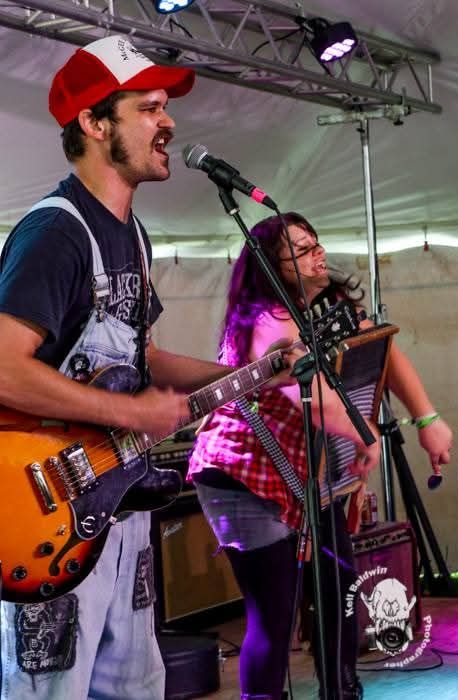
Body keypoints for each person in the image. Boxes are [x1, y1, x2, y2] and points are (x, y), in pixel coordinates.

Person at [0, 35, 296, 700]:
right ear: (93, 122)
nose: (168, 122)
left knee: (135, 688)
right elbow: (4, 369)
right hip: (47, 521)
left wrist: (256, 373)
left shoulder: (132, 235)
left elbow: (144, 356)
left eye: (165, 106)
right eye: (148, 108)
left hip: (119, 512)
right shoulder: (55, 233)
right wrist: (131, 411)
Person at [187, 212, 453, 700]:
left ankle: (342, 690)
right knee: (275, 612)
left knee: (339, 590)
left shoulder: (326, 307)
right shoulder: (264, 320)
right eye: (302, 250)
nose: (318, 254)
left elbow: (383, 346)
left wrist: (427, 419)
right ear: (272, 267)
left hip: (305, 474)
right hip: (244, 473)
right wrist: (366, 435)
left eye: (316, 243)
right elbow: (308, 400)